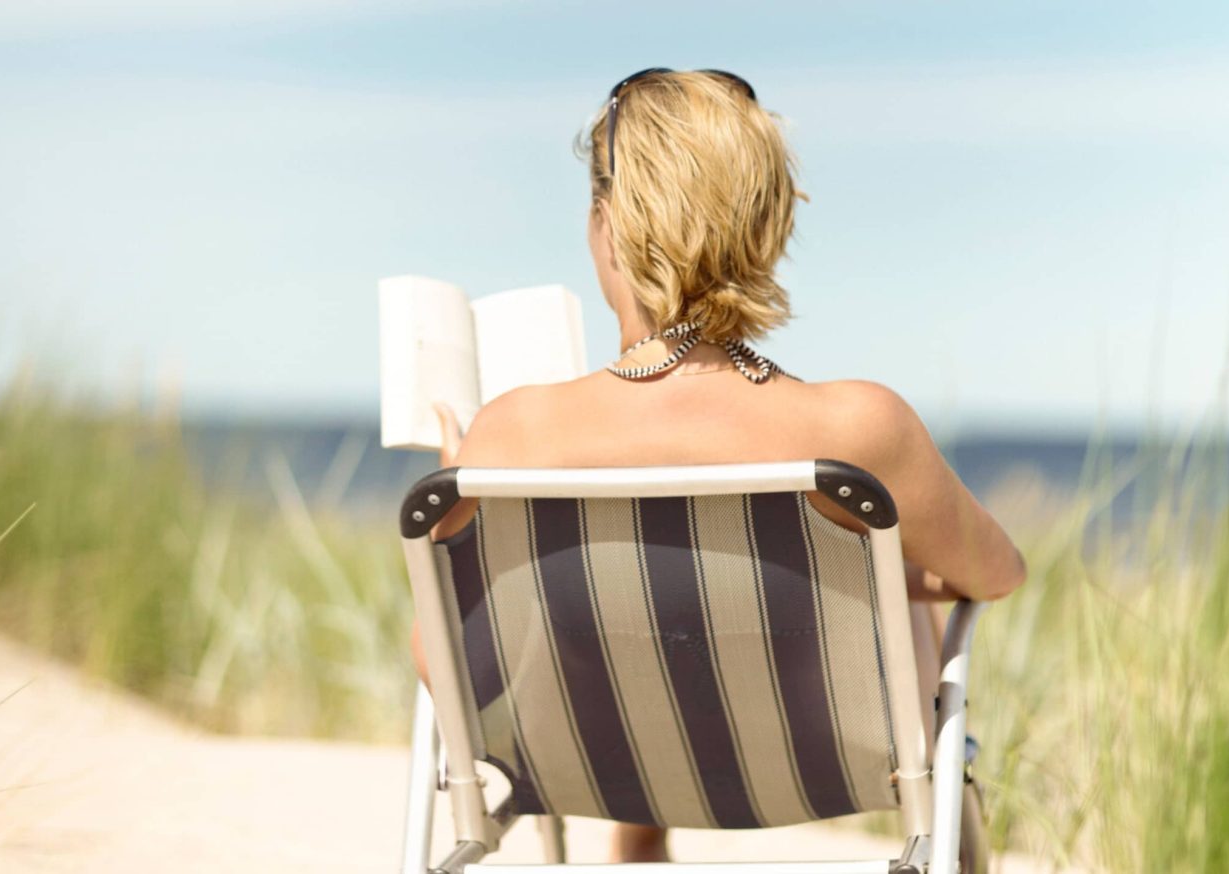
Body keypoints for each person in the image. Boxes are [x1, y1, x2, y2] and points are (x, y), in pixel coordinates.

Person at [412, 68, 1026, 865]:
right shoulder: (857, 426)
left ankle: (639, 833)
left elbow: (446, 672)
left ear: (607, 229)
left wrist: (459, 515)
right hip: (820, 770)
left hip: (594, 772)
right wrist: (870, 574)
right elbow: (998, 574)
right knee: (891, 576)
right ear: (767, 227)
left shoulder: (511, 434)